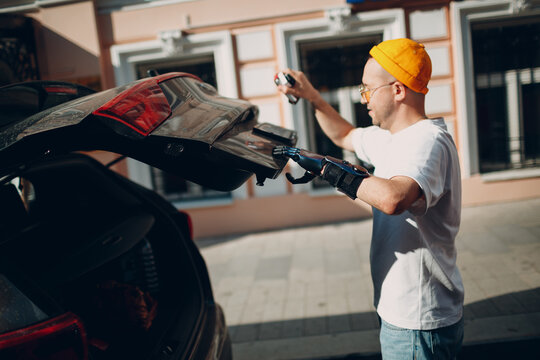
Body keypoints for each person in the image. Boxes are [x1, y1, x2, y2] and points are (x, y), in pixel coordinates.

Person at [275, 38, 464, 359]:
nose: (363, 99)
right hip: (401, 310)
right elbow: (344, 135)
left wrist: (326, 168)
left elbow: (393, 198)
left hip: (418, 319)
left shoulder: (427, 140)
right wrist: (312, 96)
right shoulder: (390, 138)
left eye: (367, 90)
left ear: (398, 90)